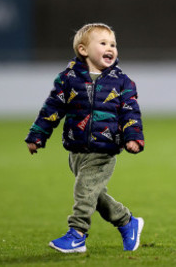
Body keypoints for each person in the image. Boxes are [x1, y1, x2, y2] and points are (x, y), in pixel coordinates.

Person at [25, 22, 145, 253]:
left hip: (105, 147)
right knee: (93, 193)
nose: (110, 47)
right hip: (76, 149)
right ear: (83, 50)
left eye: (113, 44)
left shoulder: (122, 82)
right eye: (103, 43)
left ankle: (77, 234)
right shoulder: (68, 79)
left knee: (84, 190)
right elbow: (52, 109)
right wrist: (37, 135)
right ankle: (127, 222)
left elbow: (131, 111)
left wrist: (133, 137)